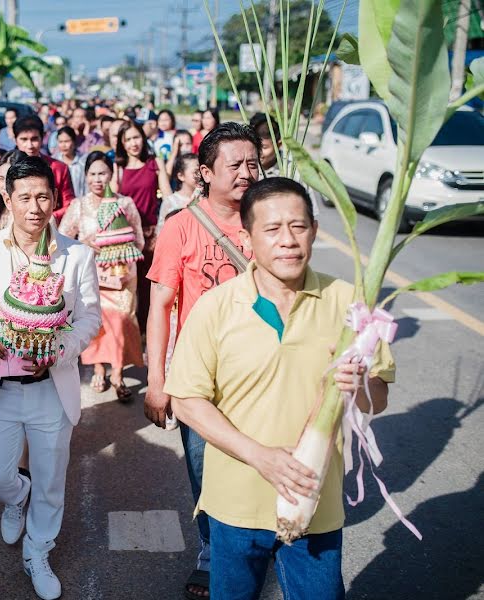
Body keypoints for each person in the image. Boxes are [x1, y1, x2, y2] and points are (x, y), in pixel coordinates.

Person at [166, 177, 395, 600]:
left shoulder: (348, 302)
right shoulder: (216, 306)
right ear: (248, 237)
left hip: (315, 504)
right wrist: (260, 456)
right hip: (235, 506)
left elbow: (376, 400)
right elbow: (187, 401)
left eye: (299, 226)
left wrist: (360, 382)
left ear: (313, 230)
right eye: (272, 229)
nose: (288, 241)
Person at [0, 155, 101, 600]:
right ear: (7, 198)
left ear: (55, 199)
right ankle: (17, 497)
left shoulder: (77, 255)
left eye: (43, 197)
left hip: (51, 391)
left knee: (52, 479)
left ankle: (39, 549)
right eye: (25, 197)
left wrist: (60, 348)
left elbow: (90, 317)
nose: (35, 207)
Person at [145, 122, 261, 599]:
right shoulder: (180, 227)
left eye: (253, 162)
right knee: (204, 469)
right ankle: (213, 552)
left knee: (259, 462)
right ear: (205, 172)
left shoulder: (269, 220)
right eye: (235, 165)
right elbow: (160, 307)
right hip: (201, 378)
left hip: (262, 372)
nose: (247, 172)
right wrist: (157, 379)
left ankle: (259, 541)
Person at [58, 151, 144, 400]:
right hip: (90, 274)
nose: (98, 179)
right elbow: (63, 239)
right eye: (93, 174)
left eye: (102, 173)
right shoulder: (79, 205)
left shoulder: (125, 203)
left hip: (122, 274)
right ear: (85, 176)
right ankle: (98, 367)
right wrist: (85, 241)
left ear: (111, 175)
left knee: (121, 320)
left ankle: (117, 373)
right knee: (95, 323)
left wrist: (119, 248)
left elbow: (138, 239)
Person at [113, 120, 159, 335]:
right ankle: (131, 334)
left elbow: (168, 198)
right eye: (128, 139)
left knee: (149, 286)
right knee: (128, 287)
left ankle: (149, 332)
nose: (133, 143)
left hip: (151, 236)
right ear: (122, 143)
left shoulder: (154, 163)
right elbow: (111, 203)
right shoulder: (118, 168)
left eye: (136, 137)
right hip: (126, 239)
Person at [11, 116, 75, 221]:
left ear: (42, 138)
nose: (29, 145)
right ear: (15, 140)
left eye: (34, 139)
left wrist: (47, 218)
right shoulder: (3, 167)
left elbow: (68, 204)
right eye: (24, 139)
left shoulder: (59, 168)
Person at [157, 152, 200, 233]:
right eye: (196, 172)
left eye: (201, 170)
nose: (200, 175)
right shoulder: (170, 202)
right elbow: (161, 232)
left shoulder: (205, 198)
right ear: (181, 176)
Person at [52, 126, 87, 198]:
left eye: (67, 141)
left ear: (74, 142)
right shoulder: (53, 162)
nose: (64, 145)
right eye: (60, 142)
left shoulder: (83, 162)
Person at [250, 112, 282, 177]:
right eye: (254, 146)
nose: (258, 152)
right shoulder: (246, 170)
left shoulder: (292, 171)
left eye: (264, 147)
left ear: (279, 144)